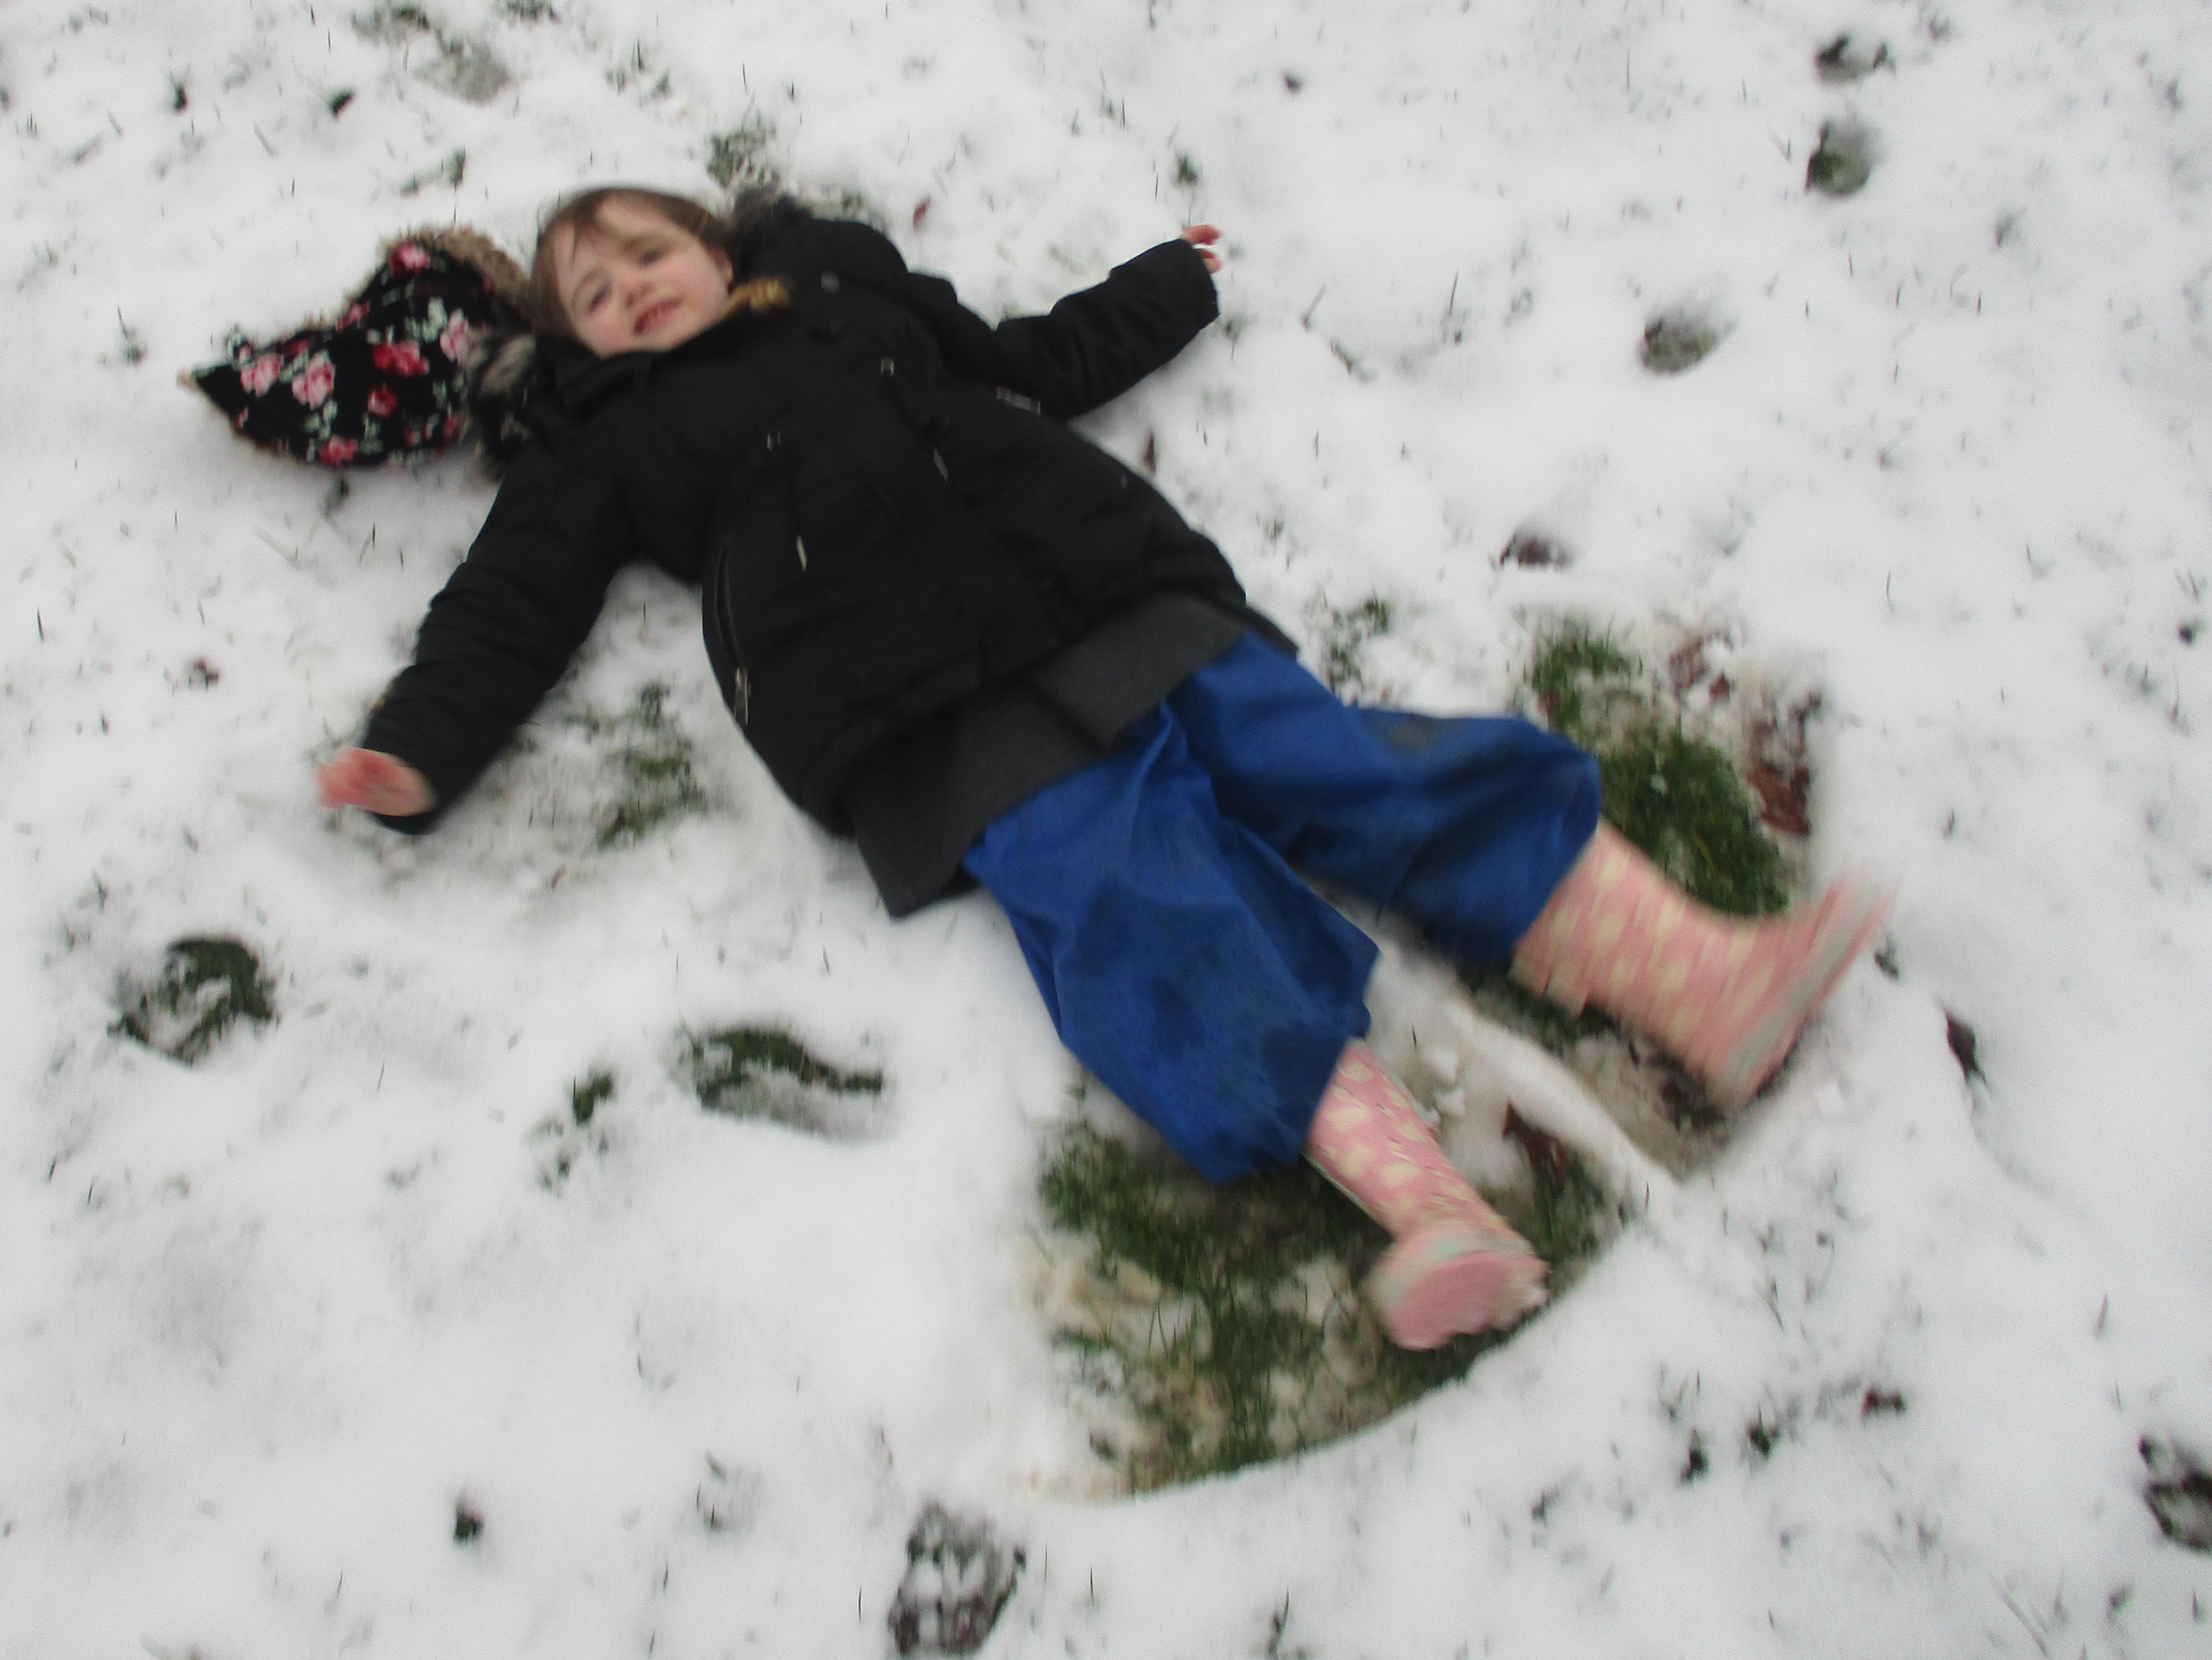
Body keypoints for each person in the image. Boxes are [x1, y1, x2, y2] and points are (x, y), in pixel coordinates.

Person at [317, 189, 1889, 1350]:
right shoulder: (604, 442)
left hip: (1093, 576)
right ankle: (1426, 1207)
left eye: (648, 252)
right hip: (914, 706)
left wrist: (1166, 288)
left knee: (1344, 766)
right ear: (576, 345)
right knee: (1139, 909)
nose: (633, 293)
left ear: (721, 248)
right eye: (594, 296)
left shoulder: (848, 292)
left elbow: (1031, 358)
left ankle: (1702, 980)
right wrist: (416, 747)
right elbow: (512, 603)